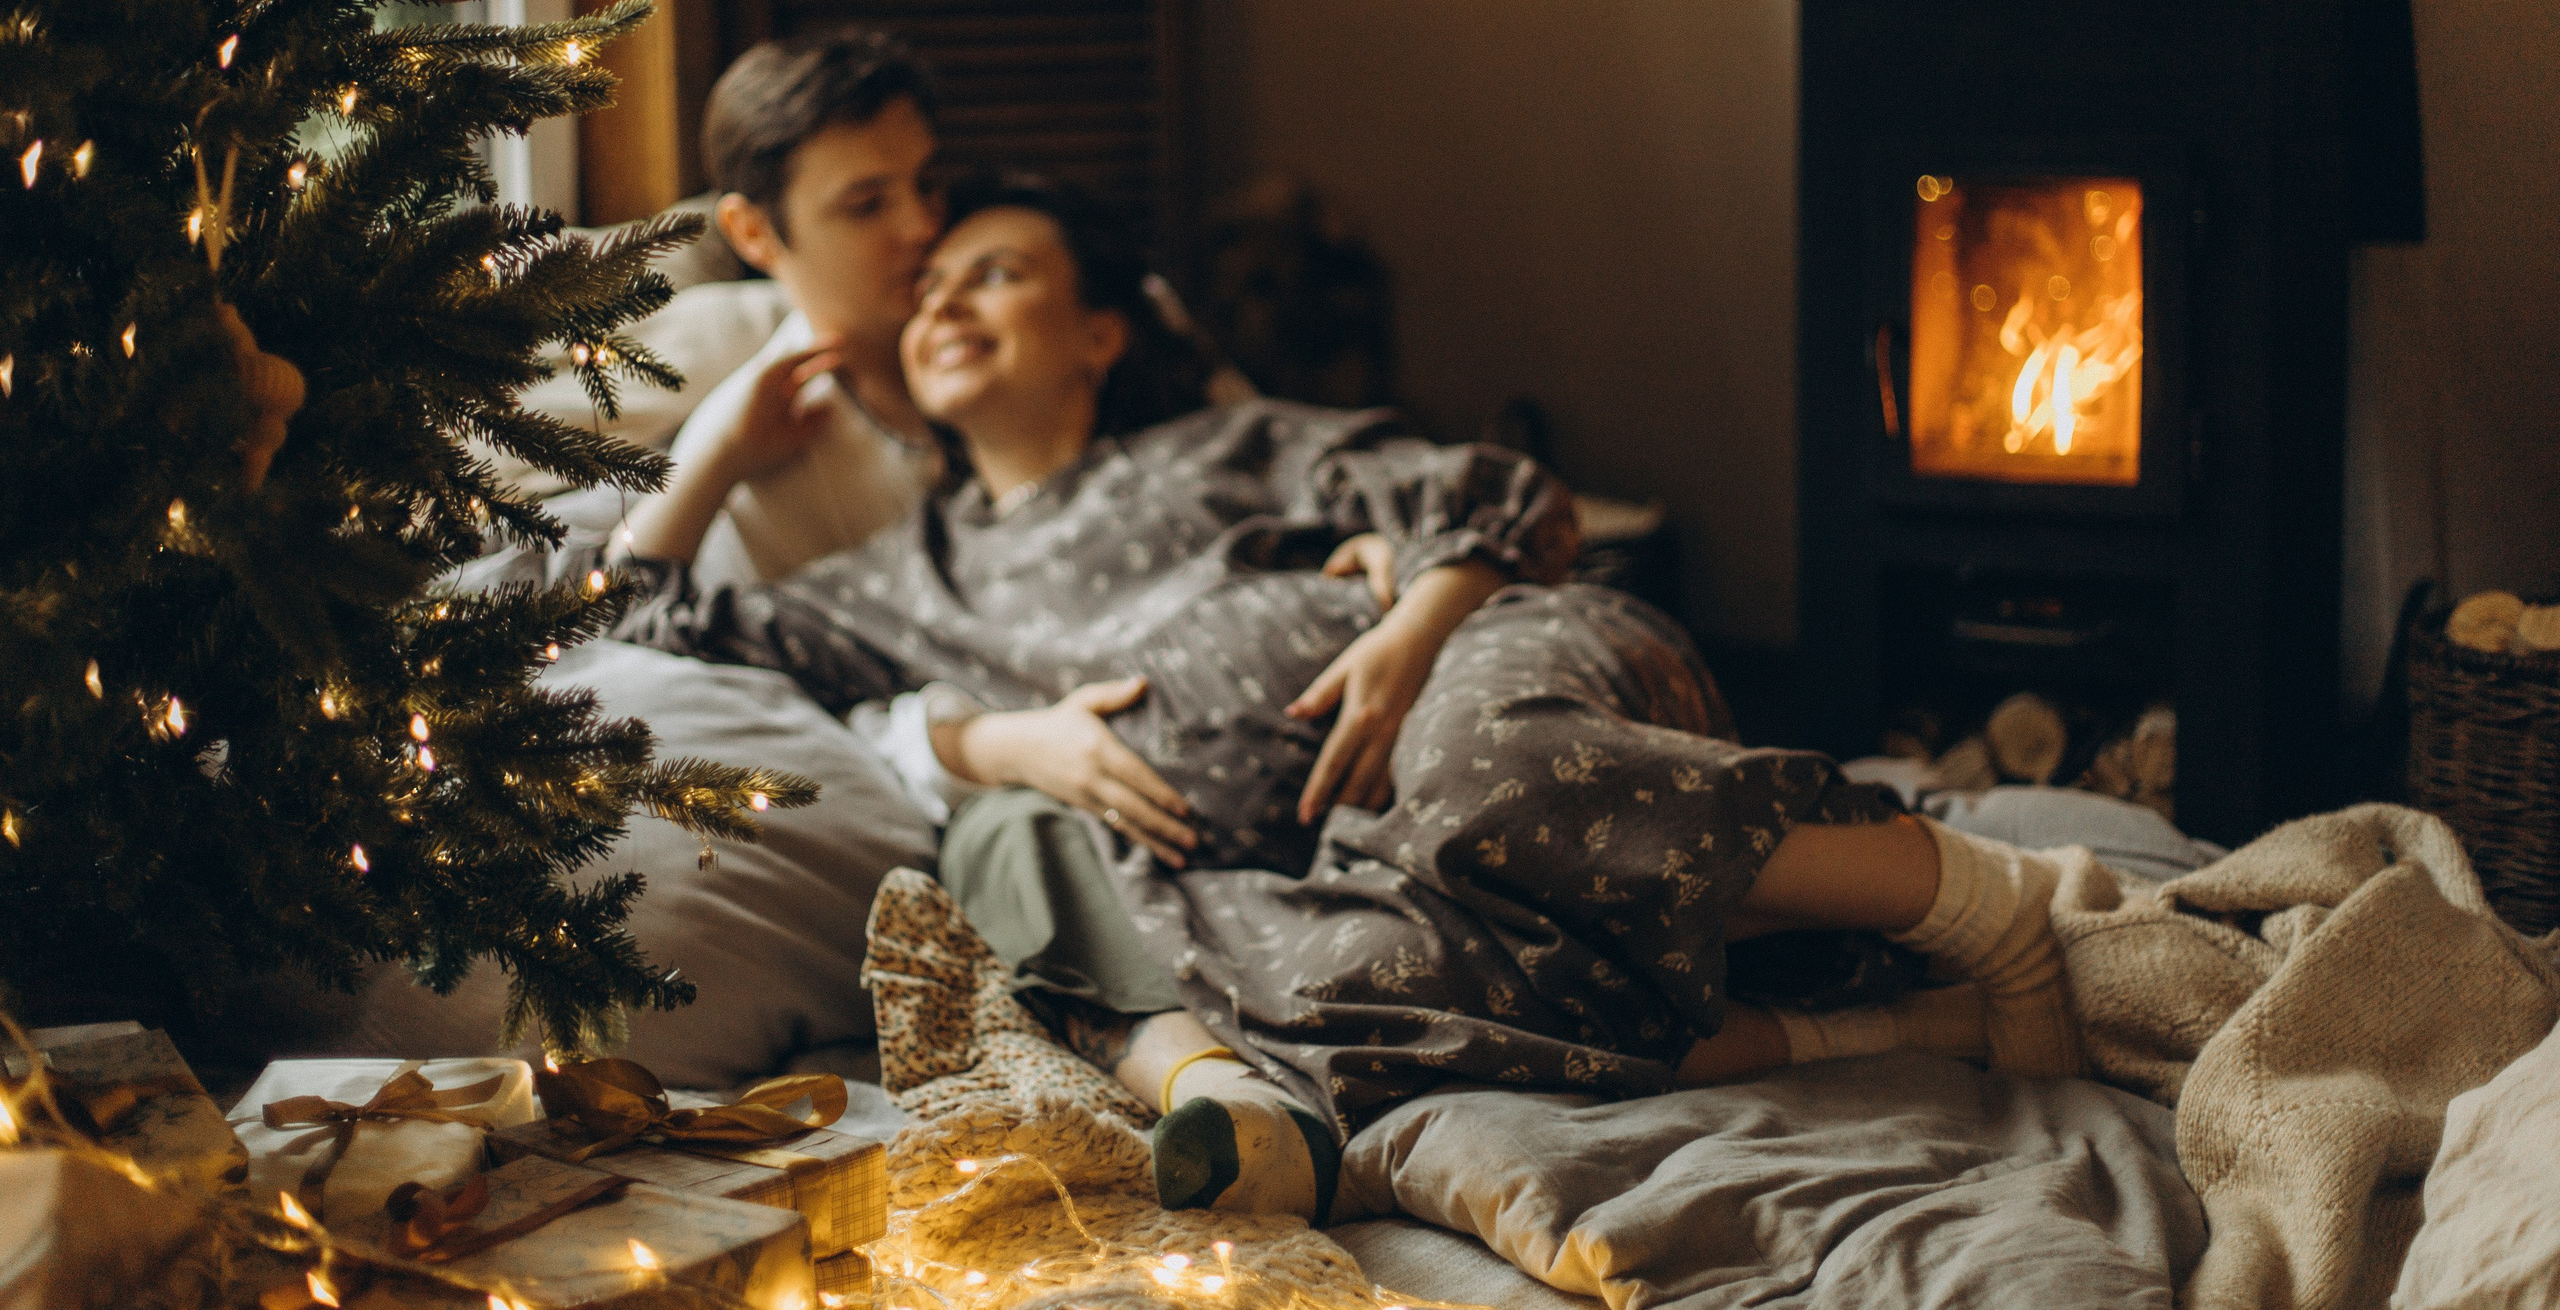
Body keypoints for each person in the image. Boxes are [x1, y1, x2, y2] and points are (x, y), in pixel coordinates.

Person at [600, 172, 2084, 1228]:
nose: (945, 302)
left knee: (1493, 779)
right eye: (926, 287)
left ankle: (1994, 904)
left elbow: (1491, 490)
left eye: (993, 270)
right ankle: (1881, 1018)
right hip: (1323, 850)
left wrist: (1411, 627)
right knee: (1310, 1004)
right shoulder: (893, 583)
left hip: (1485, 663)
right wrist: (720, 445)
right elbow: (644, 613)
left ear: (1101, 331)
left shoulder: (1220, 445)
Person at [622, 25, 949, 581]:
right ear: (751, 232)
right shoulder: (746, 433)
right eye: (867, 205)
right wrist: (718, 460)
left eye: (927, 183)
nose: (922, 225)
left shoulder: (1022, 329)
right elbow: (615, 607)